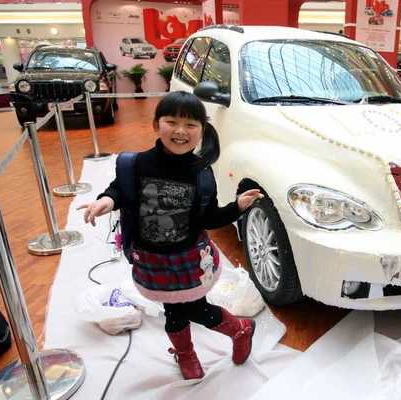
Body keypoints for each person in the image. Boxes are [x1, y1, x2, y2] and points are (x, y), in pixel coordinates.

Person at [78, 91, 264, 380]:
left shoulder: (202, 173)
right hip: (151, 258)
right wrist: (107, 200)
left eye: (191, 124)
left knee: (198, 310)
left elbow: (208, 218)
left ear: (202, 130)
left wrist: (236, 207)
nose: (180, 131)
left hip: (188, 257)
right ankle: (186, 353)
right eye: (172, 121)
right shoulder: (136, 164)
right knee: (173, 312)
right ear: (156, 125)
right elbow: (119, 190)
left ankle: (240, 330)